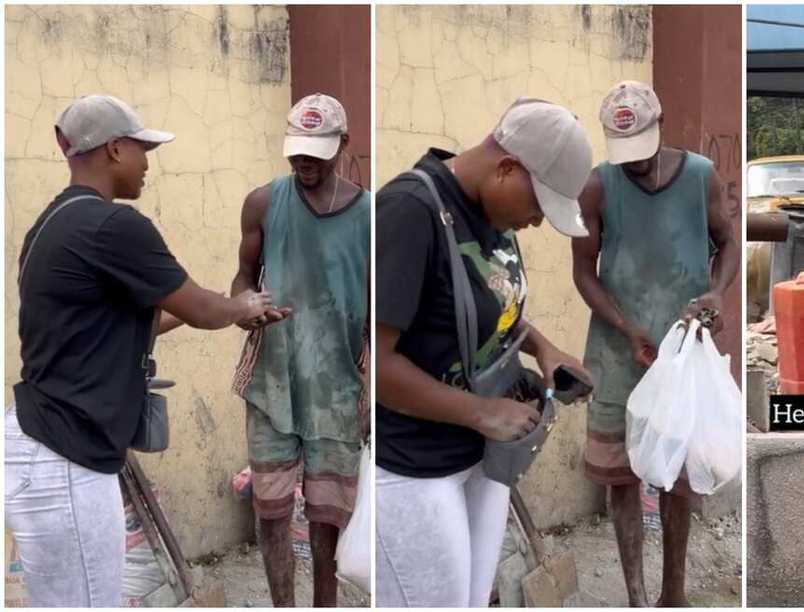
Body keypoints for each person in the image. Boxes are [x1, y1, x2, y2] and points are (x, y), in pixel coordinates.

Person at [5, 94, 274, 607]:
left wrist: (234, 309)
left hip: (48, 444)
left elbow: (126, 324)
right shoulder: (115, 227)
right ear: (114, 150)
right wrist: (241, 305)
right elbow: (202, 307)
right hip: (64, 453)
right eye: (142, 148)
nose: (148, 162)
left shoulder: (55, 222)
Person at [375, 98, 594, 607]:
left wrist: (545, 349)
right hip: (416, 465)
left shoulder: (489, 212)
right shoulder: (410, 211)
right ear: (506, 168)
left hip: (484, 456)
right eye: (538, 206)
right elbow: (378, 365)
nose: (537, 223)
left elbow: (490, 308)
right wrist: (482, 412)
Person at [572, 80, 740, 607]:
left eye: (643, 152)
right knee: (621, 474)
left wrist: (715, 293)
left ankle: (674, 594)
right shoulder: (598, 187)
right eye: (625, 156)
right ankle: (636, 596)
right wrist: (625, 327)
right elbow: (583, 271)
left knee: (679, 474)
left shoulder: (699, 176)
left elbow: (728, 240)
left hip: (684, 349)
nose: (635, 165)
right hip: (619, 348)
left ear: (661, 125)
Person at [230, 93, 370, 607]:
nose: (304, 162)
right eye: (297, 152)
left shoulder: (370, 215)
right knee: (270, 509)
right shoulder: (264, 203)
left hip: (338, 384)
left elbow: (379, 307)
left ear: (343, 145)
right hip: (274, 377)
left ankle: (324, 603)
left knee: (328, 513)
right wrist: (245, 305)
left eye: (316, 151)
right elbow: (243, 278)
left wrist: (372, 385)